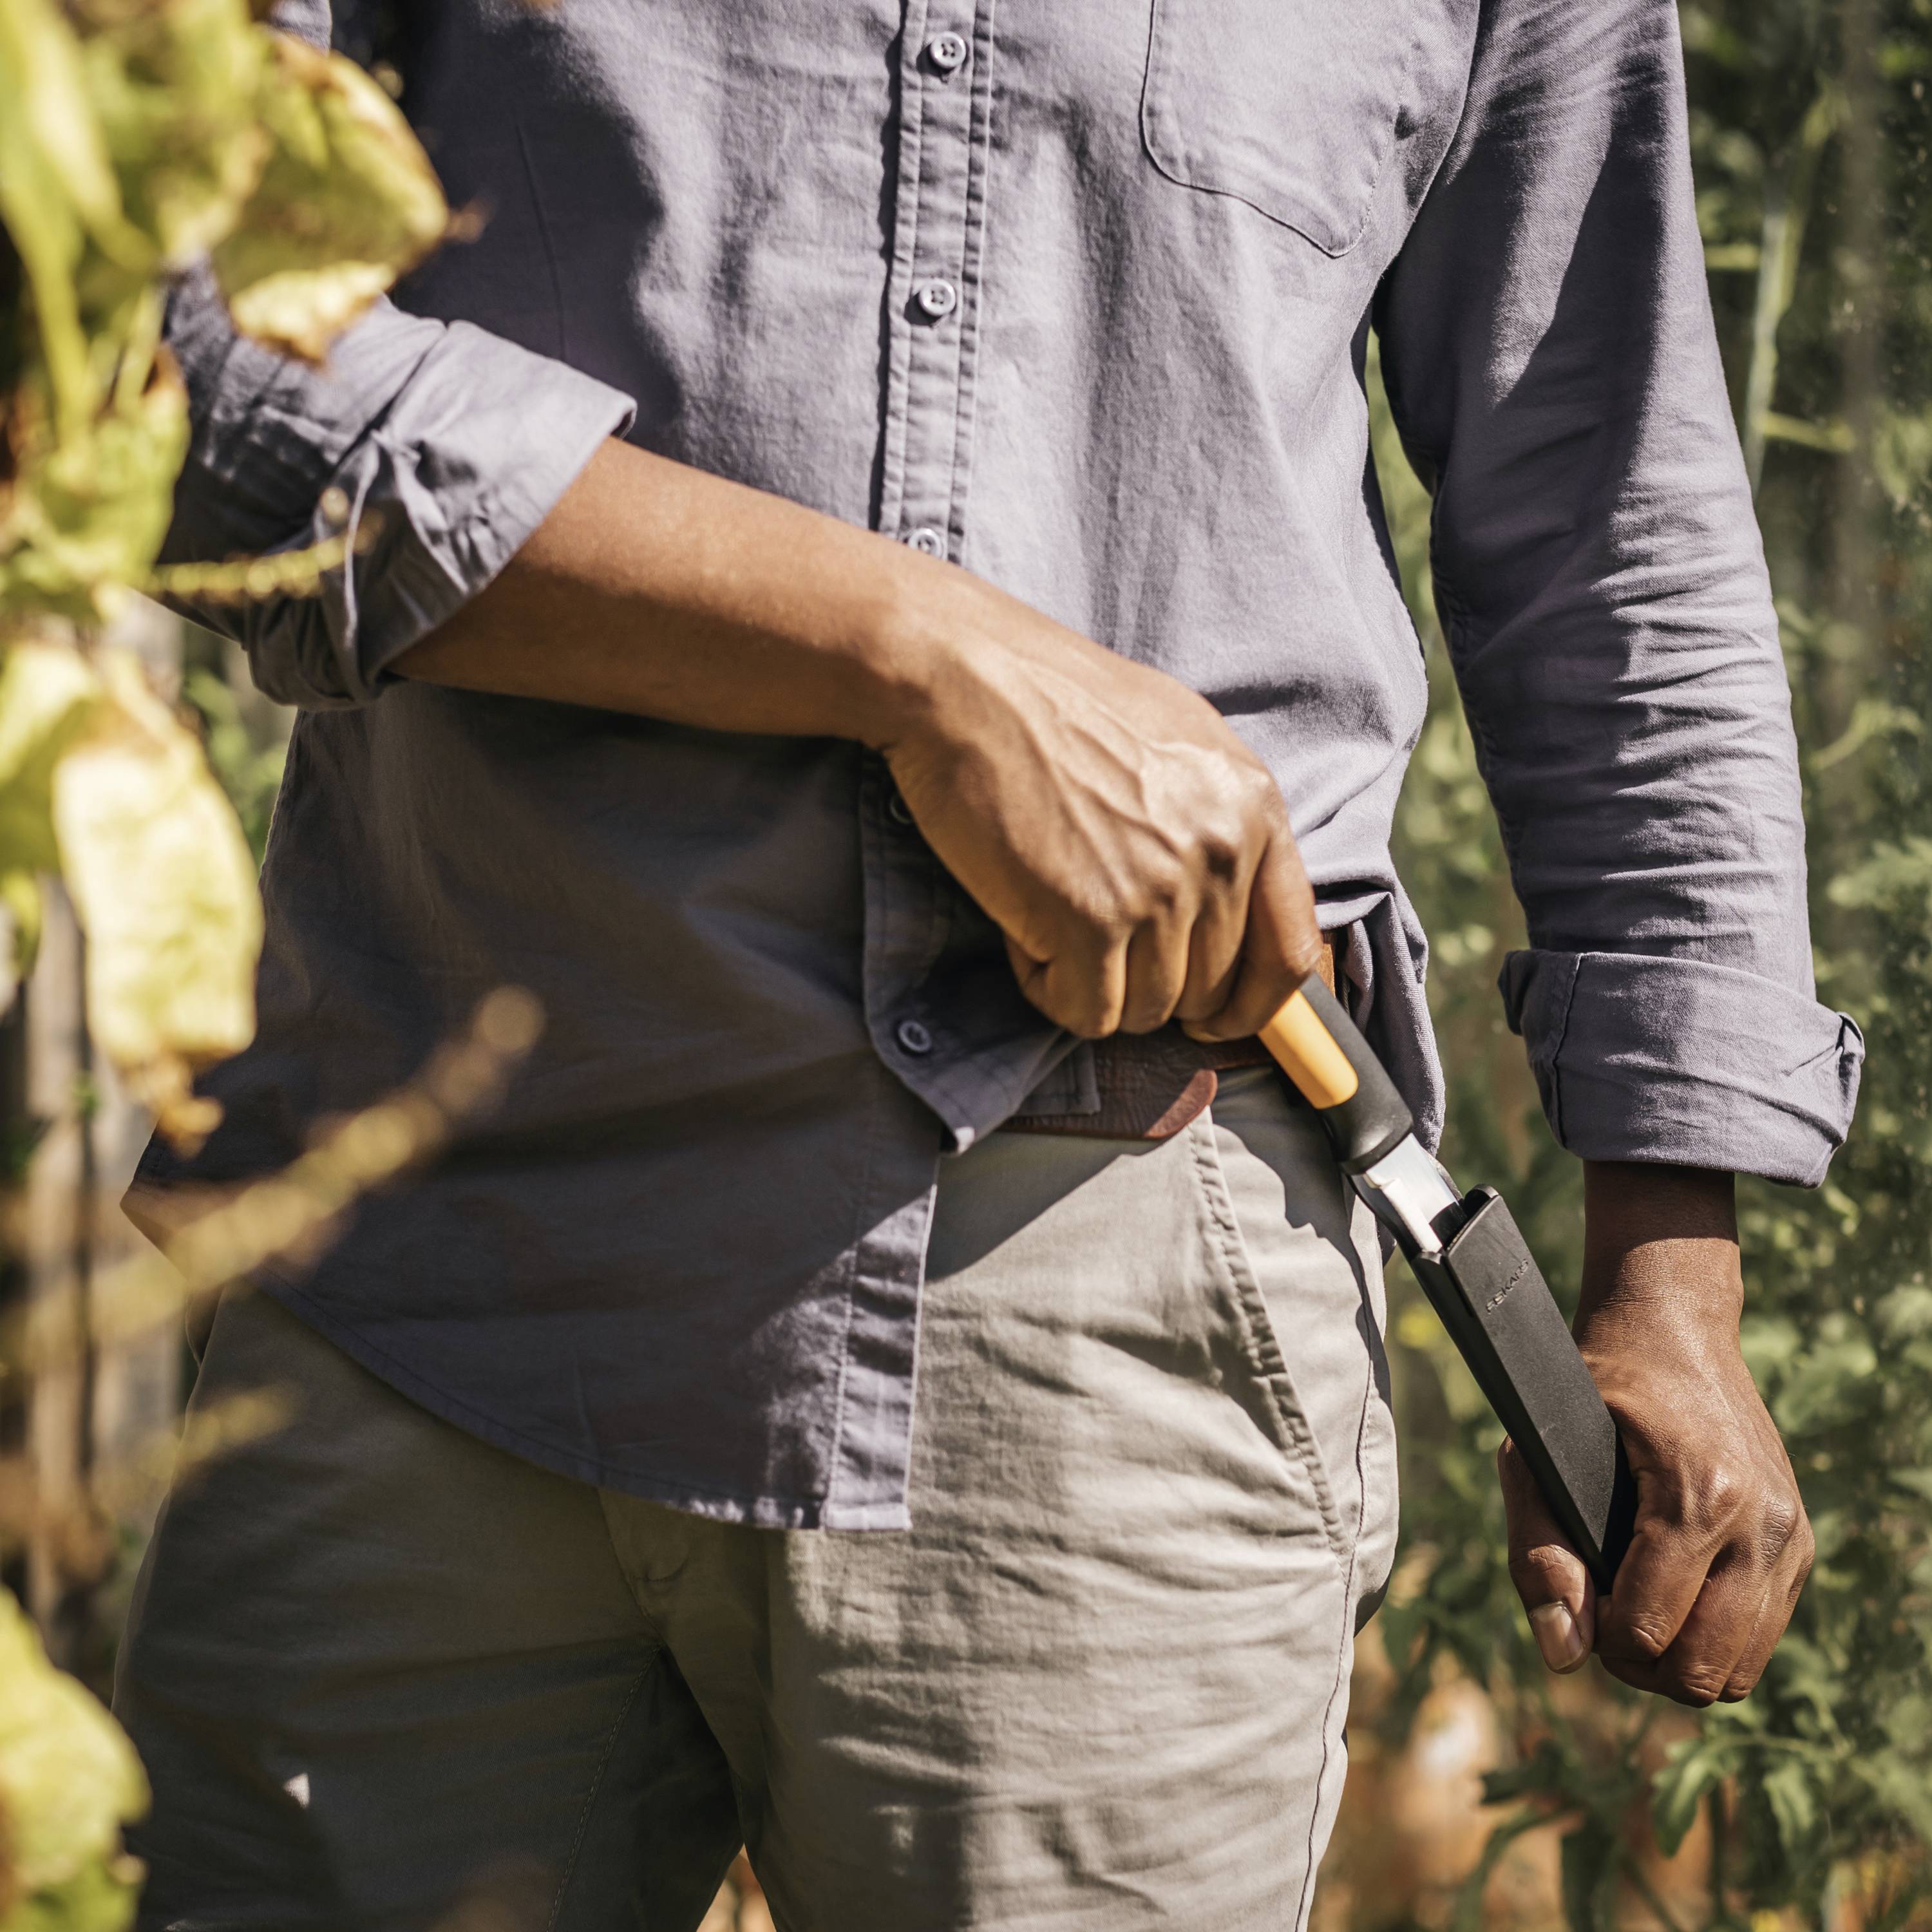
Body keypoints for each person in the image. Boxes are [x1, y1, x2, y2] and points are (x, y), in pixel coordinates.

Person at [115, 0, 1864, 1925]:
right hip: (431, 1277)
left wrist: (1671, 1266)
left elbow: (1606, 524)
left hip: (1119, 1307)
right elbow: (157, 356)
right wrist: (923, 654)